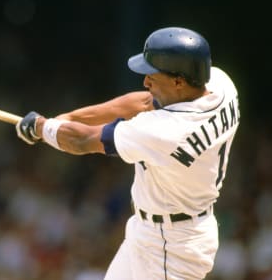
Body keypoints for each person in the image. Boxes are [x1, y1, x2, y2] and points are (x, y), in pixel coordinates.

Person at [16, 27, 240, 280]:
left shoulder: (166, 130)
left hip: (172, 247)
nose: (146, 82)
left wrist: (40, 128)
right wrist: (66, 119)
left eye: (153, 76)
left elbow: (82, 140)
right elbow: (144, 102)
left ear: (179, 81)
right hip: (154, 231)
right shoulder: (220, 86)